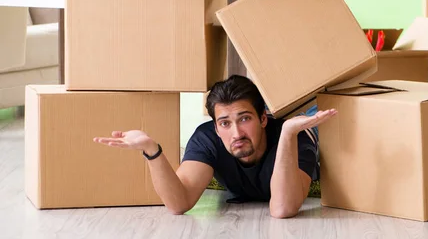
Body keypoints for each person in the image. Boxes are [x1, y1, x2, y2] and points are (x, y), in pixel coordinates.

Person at [93, 75, 337, 218]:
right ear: (216, 127)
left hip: (305, 129)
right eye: (225, 123)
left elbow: (283, 208)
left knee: (321, 116)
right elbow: (179, 204)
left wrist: (288, 133)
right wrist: (151, 150)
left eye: (245, 119)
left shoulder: (296, 137)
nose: (237, 133)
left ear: (263, 118)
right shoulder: (207, 138)